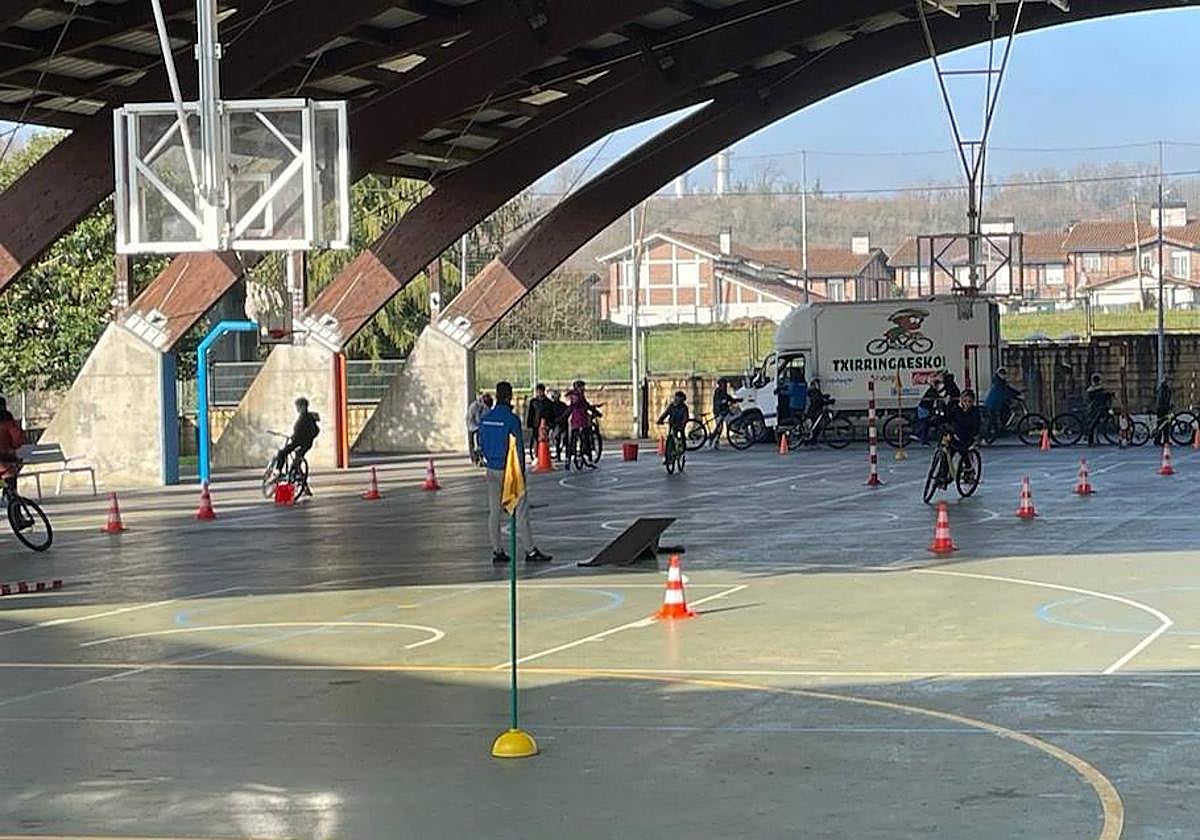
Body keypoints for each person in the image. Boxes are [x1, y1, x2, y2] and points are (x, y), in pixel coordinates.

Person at [478, 381, 551, 565]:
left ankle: (497, 550)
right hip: (510, 471)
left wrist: (488, 458)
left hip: (492, 468)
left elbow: (481, 443)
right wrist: (522, 474)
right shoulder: (511, 420)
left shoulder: (486, 418)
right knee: (521, 511)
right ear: (509, 396)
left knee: (494, 511)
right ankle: (530, 550)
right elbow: (517, 448)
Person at [275, 397, 319, 489]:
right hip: (305, 443)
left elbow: (299, 431)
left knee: (282, 452)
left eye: (298, 406)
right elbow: (313, 431)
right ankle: (303, 484)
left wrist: (294, 437)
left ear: (303, 406)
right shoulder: (308, 416)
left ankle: (278, 471)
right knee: (297, 460)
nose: (297, 408)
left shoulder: (305, 417)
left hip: (299, 442)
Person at [564, 380, 600, 469]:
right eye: (582, 387)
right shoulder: (579, 396)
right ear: (578, 388)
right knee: (586, 439)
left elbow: (571, 408)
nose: (584, 388)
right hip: (582, 421)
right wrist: (596, 412)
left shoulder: (573, 396)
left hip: (574, 422)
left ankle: (568, 460)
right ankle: (589, 458)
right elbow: (586, 406)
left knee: (572, 441)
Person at [945, 388, 982, 472]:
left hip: (967, 438)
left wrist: (974, 439)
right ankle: (942, 475)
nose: (967, 404)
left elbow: (976, 428)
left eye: (969, 401)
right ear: (961, 400)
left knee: (964, 451)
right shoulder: (956, 409)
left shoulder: (975, 412)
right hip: (955, 436)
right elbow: (948, 420)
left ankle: (968, 471)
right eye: (965, 401)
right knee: (946, 455)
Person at [983, 367, 1022, 439]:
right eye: (1002, 374)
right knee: (995, 417)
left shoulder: (1000, 382)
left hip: (998, 403)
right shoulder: (999, 382)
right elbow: (1006, 391)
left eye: (1004, 374)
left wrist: (1017, 393)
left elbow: (1008, 389)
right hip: (993, 404)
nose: (1004, 375)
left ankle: (999, 430)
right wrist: (1017, 395)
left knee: (1004, 411)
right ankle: (993, 433)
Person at [0, 397, 25, 499]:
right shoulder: (7, 420)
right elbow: (17, 441)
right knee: (10, 478)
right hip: (6, 463)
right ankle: (14, 507)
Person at [524, 383, 556, 458]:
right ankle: (536, 455)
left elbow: (551, 414)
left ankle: (544, 454)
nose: (539, 393)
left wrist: (551, 424)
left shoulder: (548, 402)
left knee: (545, 438)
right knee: (536, 439)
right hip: (536, 423)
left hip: (545, 424)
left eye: (540, 391)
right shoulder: (533, 402)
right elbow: (531, 413)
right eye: (538, 391)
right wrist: (529, 423)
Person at [709, 377, 741, 449]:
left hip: (724, 411)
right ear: (720, 385)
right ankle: (713, 440)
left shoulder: (724, 392)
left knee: (724, 425)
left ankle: (715, 440)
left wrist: (737, 400)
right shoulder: (718, 391)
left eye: (726, 384)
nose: (725, 385)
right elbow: (718, 401)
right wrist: (723, 402)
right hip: (719, 411)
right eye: (724, 384)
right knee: (719, 427)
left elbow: (729, 398)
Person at [911, 374, 943, 446]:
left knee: (926, 423)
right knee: (925, 423)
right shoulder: (932, 391)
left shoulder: (933, 390)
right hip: (924, 408)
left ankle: (923, 439)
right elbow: (938, 397)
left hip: (926, 408)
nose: (938, 386)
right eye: (937, 385)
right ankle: (916, 434)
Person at [657, 391, 690, 457]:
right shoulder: (671, 406)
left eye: (679, 398)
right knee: (670, 437)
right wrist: (660, 419)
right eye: (676, 397)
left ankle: (683, 447)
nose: (677, 399)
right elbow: (665, 413)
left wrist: (683, 424)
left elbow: (685, 417)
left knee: (681, 434)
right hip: (672, 423)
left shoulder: (684, 407)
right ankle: (668, 455)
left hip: (680, 424)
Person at [465, 392, 493, 465]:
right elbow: (478, 419)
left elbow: (488, 414)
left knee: (480, 442)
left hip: (478, 425)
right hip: (472, 425)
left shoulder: (484, 406)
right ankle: (475, 459)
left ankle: (481, 457)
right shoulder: (476, 406)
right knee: (474, 443)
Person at [804, 378, 834, 443]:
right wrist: (827, 402)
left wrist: (825, 397)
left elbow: (820, 397)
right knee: (814, 425)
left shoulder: (815, 391)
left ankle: (813, 439)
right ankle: (809, 438)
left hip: (815, 410)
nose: (819, 385)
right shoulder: (812, 391)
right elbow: (817, 401)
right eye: (817, 384)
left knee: (817, 425)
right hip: (813, 411)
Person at [1085, 374, 1111, 446]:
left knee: (1095, 423)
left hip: (1096, 407)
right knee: (1093, 424)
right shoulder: (1093, 389)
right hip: (1094, 408)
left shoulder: (1093, 388)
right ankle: (1090, 442)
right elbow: (1100, 394)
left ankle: (1095, 440)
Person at [548, 389, 569, 462]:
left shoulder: (555, 405)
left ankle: (563, 455)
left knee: (561, 439)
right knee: (559, 439)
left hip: (560, 423)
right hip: (558, 424)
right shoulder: (553, 405)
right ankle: (562, 455)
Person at [1155, 377, 1173, 445]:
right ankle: (1158, 440)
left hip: (1163, 408)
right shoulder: (1163, 389)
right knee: (1162, 425)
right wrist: (1167, 406)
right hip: (1162, 409)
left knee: (1165, 425)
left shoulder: (1166, 389)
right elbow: (1162, 400)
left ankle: (1165, 440)